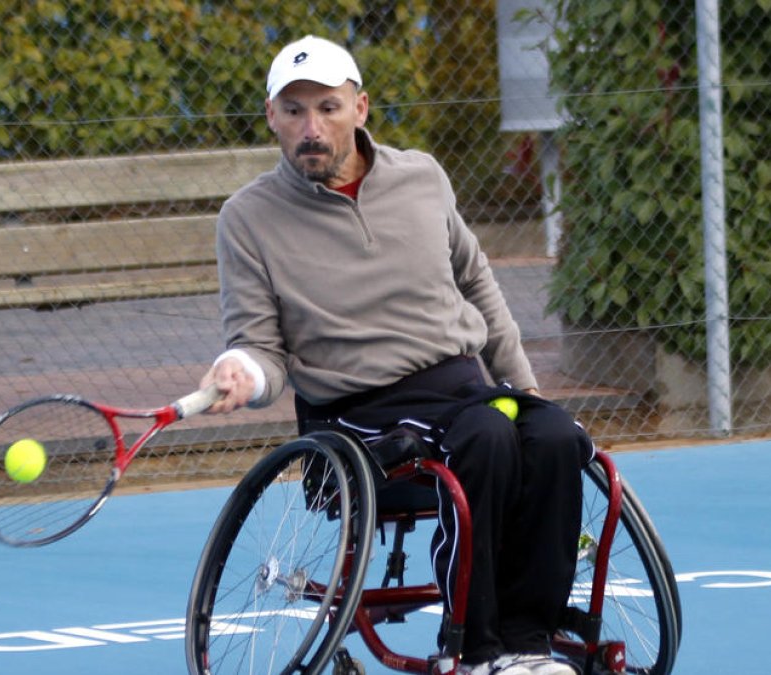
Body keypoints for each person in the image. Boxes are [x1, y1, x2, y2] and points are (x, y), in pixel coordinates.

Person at [200, 34, 593, 675]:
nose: (310, 128)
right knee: (487, 439)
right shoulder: (246, 218)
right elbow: (262, 349)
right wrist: (242, 371)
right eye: (293, 111)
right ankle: (475, 650)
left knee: (551, 435)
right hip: (358, 412)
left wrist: (528, 391)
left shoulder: (423, 177)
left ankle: (529, 644)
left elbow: (478, 285)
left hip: (462, 387)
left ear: (361, 108)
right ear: (270, 116)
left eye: (327, 107)